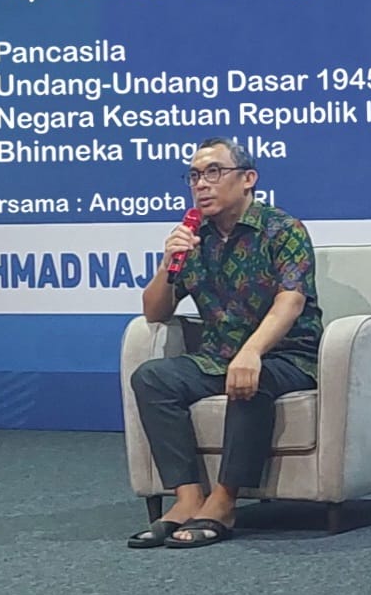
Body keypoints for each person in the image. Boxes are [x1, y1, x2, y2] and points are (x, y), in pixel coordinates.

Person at [126, 136, 323, 549]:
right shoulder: (194, 238)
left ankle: (224, 501)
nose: (201, 184)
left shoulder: (283, 230)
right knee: (152, 378)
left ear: (248, 179)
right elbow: (155, 312)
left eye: (214, 172)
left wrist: (252, 351)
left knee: (251, 378)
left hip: (289, 357)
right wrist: (167, 265)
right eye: (194, 176)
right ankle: (187, 498)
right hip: (218, 357)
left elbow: (290, 301)